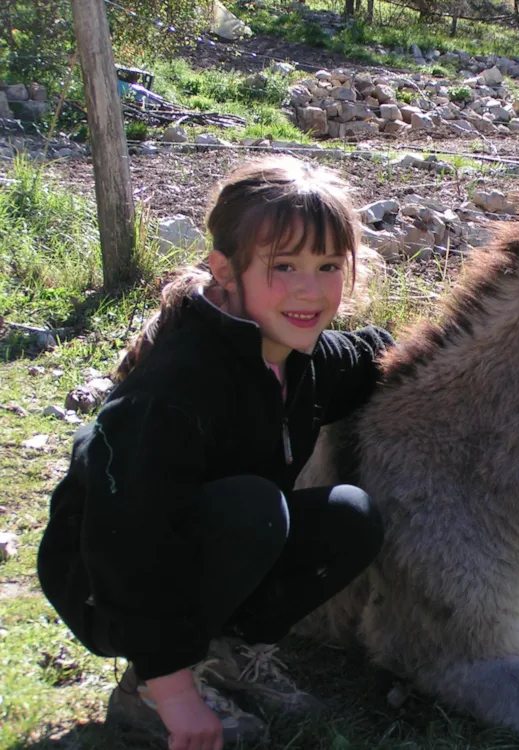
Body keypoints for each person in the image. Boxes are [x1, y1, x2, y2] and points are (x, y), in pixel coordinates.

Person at [37, 156, 394, 750]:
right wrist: (176, 699)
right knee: (258, 509)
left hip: (199, 545)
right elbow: (127, 543)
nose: (310, 289)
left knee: (350, 515)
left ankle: (229, 653)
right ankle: (151, 688)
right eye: (284, 266)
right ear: (225, 271)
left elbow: (375, 353)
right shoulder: (178, 386)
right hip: (108, 578)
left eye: (328, 266)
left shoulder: (301, 356)